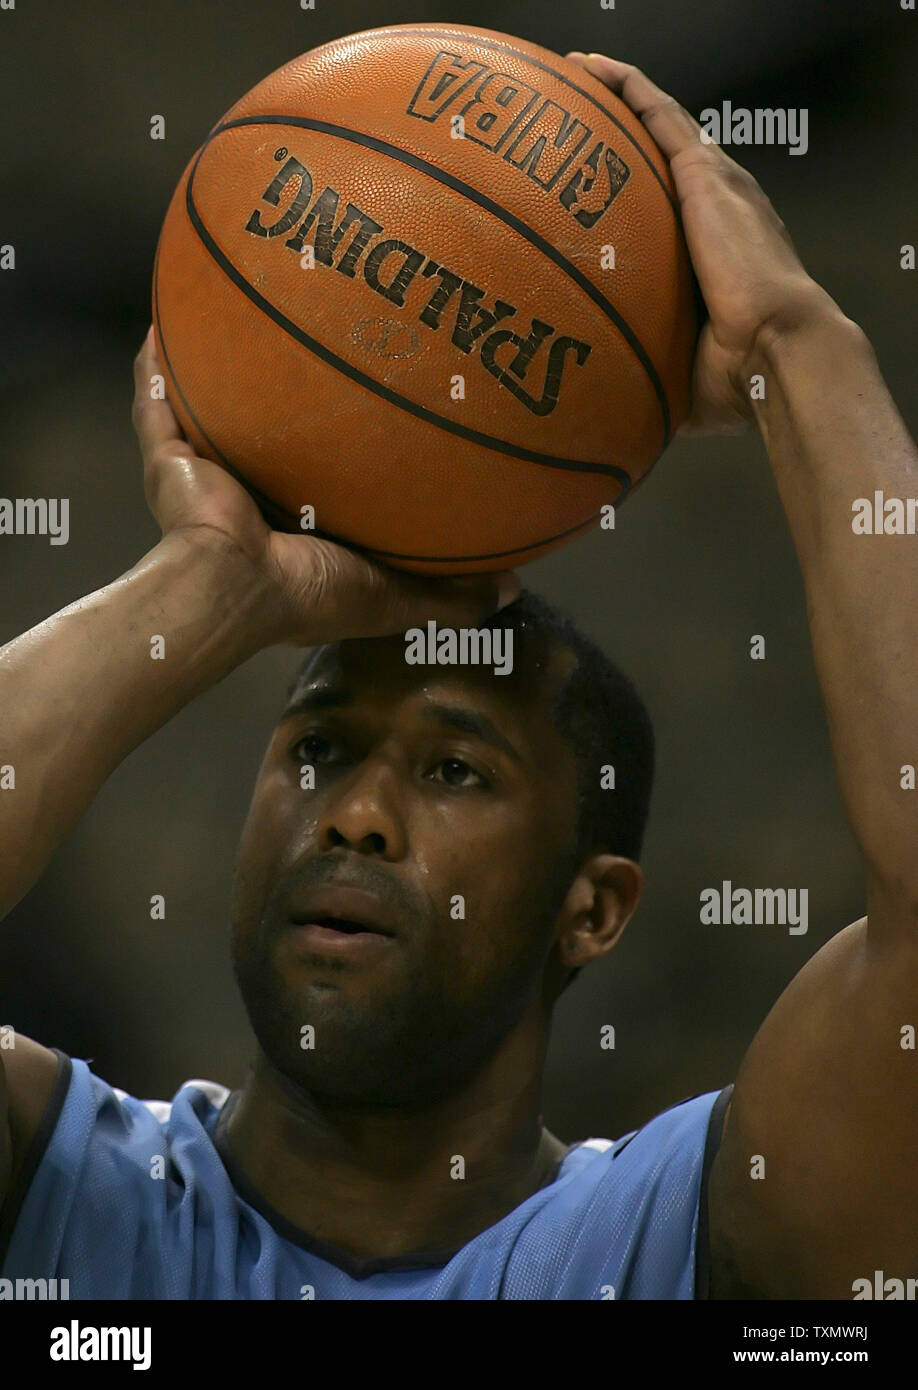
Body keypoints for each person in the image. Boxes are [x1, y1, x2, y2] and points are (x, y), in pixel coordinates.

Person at [1, 53, 915, 1300]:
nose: (357, 813)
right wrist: (210, 584)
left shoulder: (685, 1236)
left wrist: (795, 346)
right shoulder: (59, 1188)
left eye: (452, 768)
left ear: (591, 909)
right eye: (318, 748)